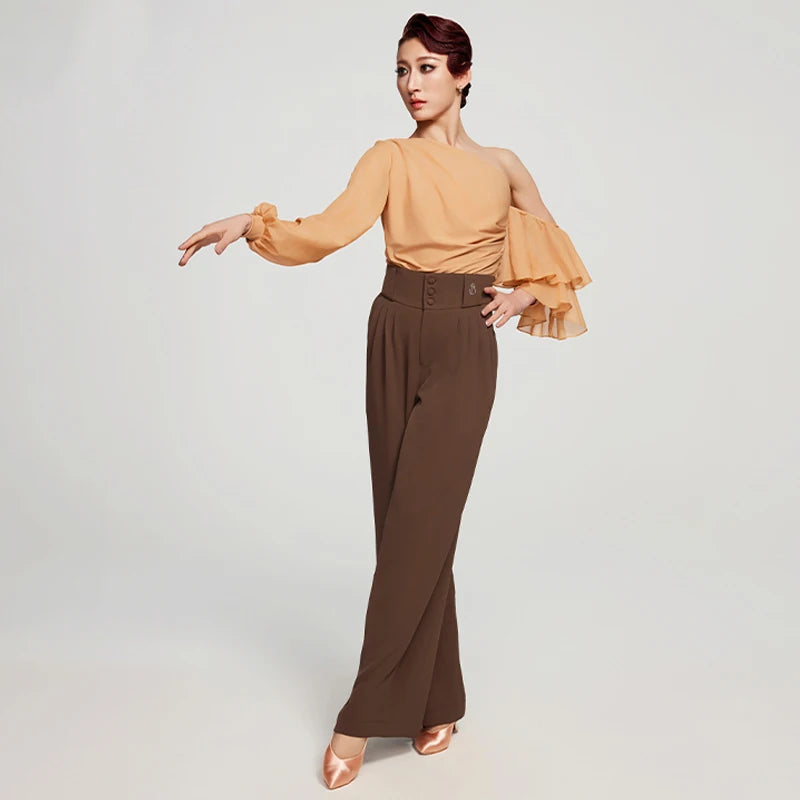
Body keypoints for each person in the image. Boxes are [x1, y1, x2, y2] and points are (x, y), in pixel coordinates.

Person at [177, 12, 591, 791]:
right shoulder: (388, 157)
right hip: (394, 330)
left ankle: (360, 715)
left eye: (427, 67)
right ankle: (440, 700)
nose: (411, 84)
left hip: (463, 342)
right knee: (404, 524)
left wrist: (523, 292)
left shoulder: (503, 166)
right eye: (402, 70)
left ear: (464, 74)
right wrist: (254, 225)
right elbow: (329, 231)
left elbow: (556, 255)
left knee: (419, 527)